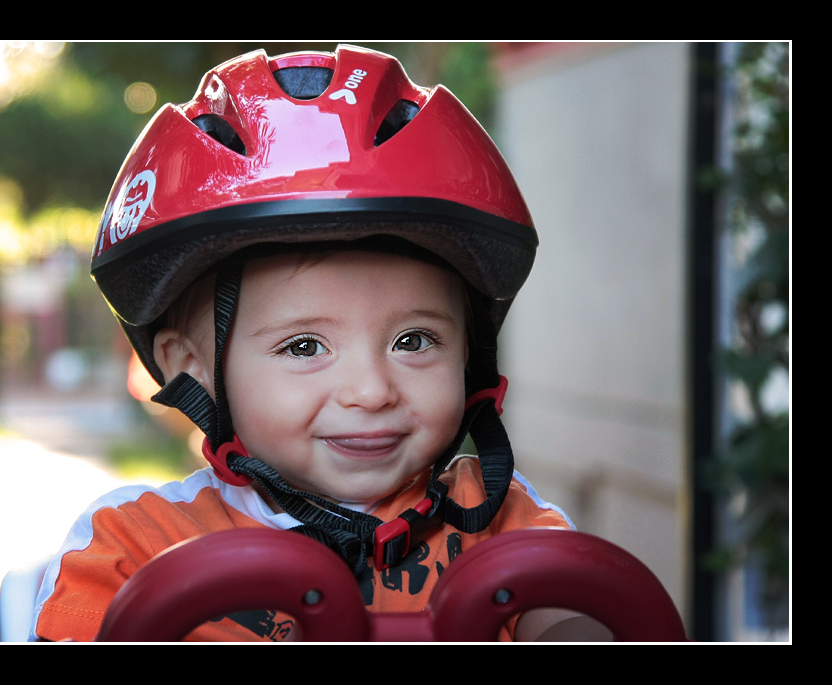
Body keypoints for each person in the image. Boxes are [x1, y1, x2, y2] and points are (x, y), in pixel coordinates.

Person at [31, 44, 593, 642]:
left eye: (414, 340)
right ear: (192, 369)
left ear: (469, 353)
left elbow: (586, 610)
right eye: (304, 347)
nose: (371, 391)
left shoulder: (499, 521)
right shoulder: (135, 548)